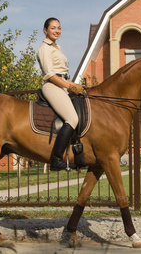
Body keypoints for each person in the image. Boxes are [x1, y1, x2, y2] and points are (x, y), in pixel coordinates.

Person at [37, 17, 84, 171]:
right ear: (45, 30)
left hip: (62, 84)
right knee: (72, 118)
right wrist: (70, 86)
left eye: (59, 28)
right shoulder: (44, 48)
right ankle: (56, 159)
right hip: (52, 85)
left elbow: (62, 74)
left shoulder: (57, 47)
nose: (57, 31)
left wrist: (74, 85)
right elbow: (50, 75)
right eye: (53, 28)